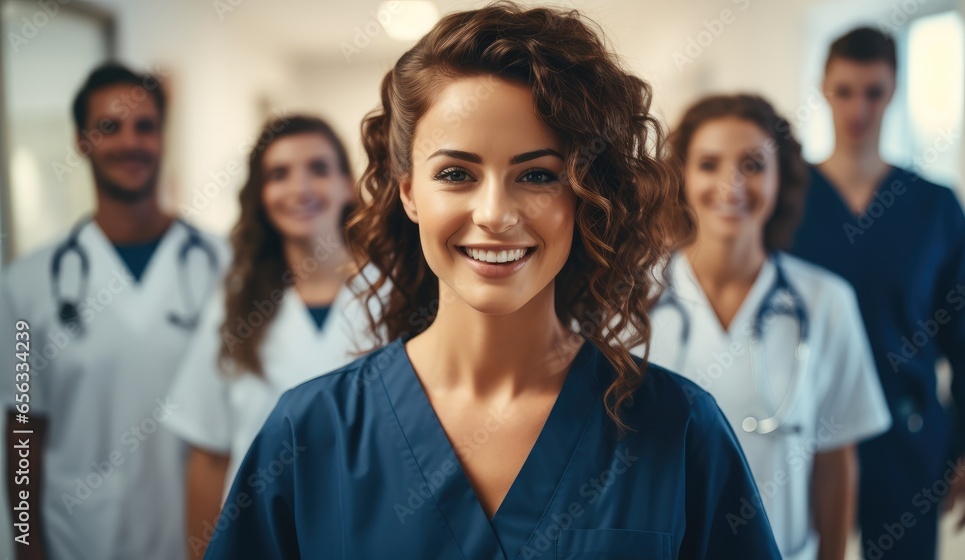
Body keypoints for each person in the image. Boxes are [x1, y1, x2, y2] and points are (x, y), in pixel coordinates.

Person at [202, 3, 782, 559]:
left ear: (584, 195)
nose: (495, 214)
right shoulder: (310, 433)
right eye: (456, 173)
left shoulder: (677, 428)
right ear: (408, 191)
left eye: (536, 175)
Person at [644, 94, 891, 560]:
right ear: (680, 177)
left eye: (753, 165)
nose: (730, 184)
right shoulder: (626, 299)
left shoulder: (825, 302)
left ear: (782, 180)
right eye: (709, 164)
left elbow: (835, 462)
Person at [0, 63, 229, 560]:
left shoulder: (227, 267)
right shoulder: (24, 286)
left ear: (162, 137)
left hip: (202, 535)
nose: (131, 142)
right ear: (81, 141)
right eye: (109, 127)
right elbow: (22, 428)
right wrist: (24, 545)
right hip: (81, 538)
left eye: (144, 126)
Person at [790, 27, 965, 560]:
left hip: (906, 434)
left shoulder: (934, 208)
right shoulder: (786, 201)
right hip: (801, 432)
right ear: (824, 89)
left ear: (894, 91)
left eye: (874, 92)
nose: (859, 108)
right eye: (845, 91)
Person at [162, 116, 372, 559]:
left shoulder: (394, 295)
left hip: (376, 534)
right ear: (261, 195)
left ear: (348, 185)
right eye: (279, 174)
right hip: (257, 542)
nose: (300, 188)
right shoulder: (234, 305)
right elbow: (209, 453)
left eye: (318, 168)